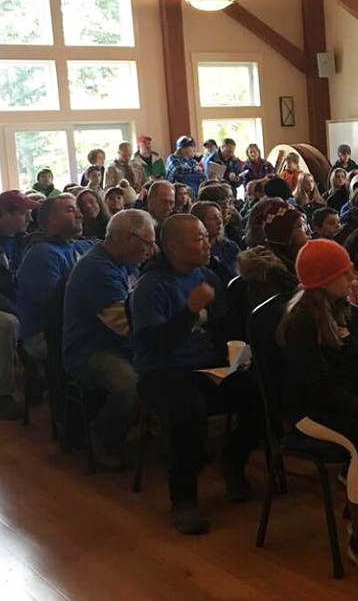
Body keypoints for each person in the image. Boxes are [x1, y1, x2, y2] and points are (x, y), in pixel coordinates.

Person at [277, 239, 358, 576]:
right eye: (344, 272)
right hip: (311, 410)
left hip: (353, 401)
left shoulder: (350, 312)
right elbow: (319, 389)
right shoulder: (301, 323)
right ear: (323, 280)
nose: (352, 277)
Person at [131, 214, 260, 535]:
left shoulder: (208, 277)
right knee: (188, 411)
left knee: (260, 390)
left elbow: (223, 328)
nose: (207, 243)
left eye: (206, 236)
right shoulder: (150, 286)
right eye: (198, 239)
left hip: (204, 366)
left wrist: (236, 354)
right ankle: (184, 498)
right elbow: (156, 345)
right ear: (172, 246)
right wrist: (189, 310)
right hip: (161, 372)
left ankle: (232, 460)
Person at [63, 210, 155, 469]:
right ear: (128, 239)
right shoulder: (97, 269)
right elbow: (124, 325)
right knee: (133, 387)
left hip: (117, 344)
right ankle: (102, 437)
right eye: (147, 243)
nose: (151, 250)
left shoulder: (121, 261)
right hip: (90, 350)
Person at [0, 192, 37, 419]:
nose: (30, 219)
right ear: (6, 214)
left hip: (18, 303)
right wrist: (17, 309)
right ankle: (2, 397)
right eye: (24, 213)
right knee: (6, 324)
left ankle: (39, 377)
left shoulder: (26, 239)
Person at [16, 194, 92, 361]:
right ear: (53, 219)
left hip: (76, 326)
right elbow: (55, 309)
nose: (80, 215)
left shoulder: (83, 246)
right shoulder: (41, 254)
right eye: (71, 210)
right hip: (46, 335)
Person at [236, 200, 306, 309]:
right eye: (301, 226)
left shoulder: (291, 260)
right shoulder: (271, 275)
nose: (308, 232)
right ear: (286, 235)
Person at [191, 201, 240, 282]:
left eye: (219, 216)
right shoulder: (195, 252)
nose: (219, 222)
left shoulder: (230, 246)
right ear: (200, 223)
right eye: (213, 218)